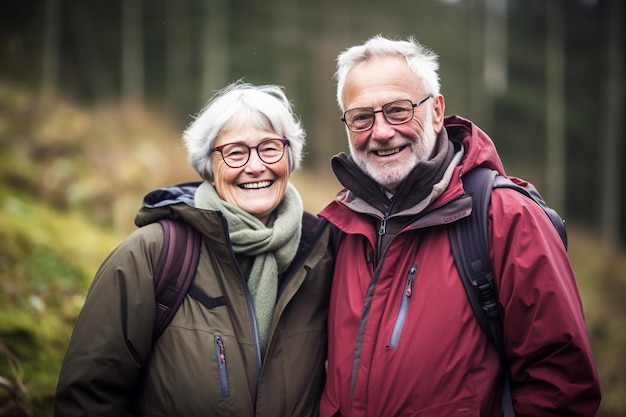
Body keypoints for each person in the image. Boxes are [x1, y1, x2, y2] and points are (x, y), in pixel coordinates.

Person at [318, 35, 601, 417]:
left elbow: (561, 386)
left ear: (436, 111)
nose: (381, 132)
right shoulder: (336, 227)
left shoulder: (505, 217)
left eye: (398, 110)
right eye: (361, 117)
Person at [54, 81, 335, 417]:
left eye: (270, 148)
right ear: (208, 165)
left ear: (289, 156)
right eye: (235, 152)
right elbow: (88, 397)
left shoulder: (323, 253)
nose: (256, 166)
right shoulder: (152, 255)